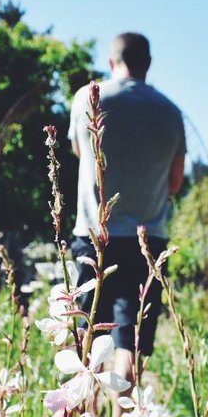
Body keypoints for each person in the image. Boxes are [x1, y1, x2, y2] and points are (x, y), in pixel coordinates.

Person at [68, 32, 185, 393]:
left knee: (86, 335)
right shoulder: (170, 111)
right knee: (130, 342)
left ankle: (86, 415)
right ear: (148, 63)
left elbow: (79, 151)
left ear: (111, 61)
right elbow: (175, 182)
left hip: (94, 236)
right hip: (147, 241)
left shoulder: (88, 97)